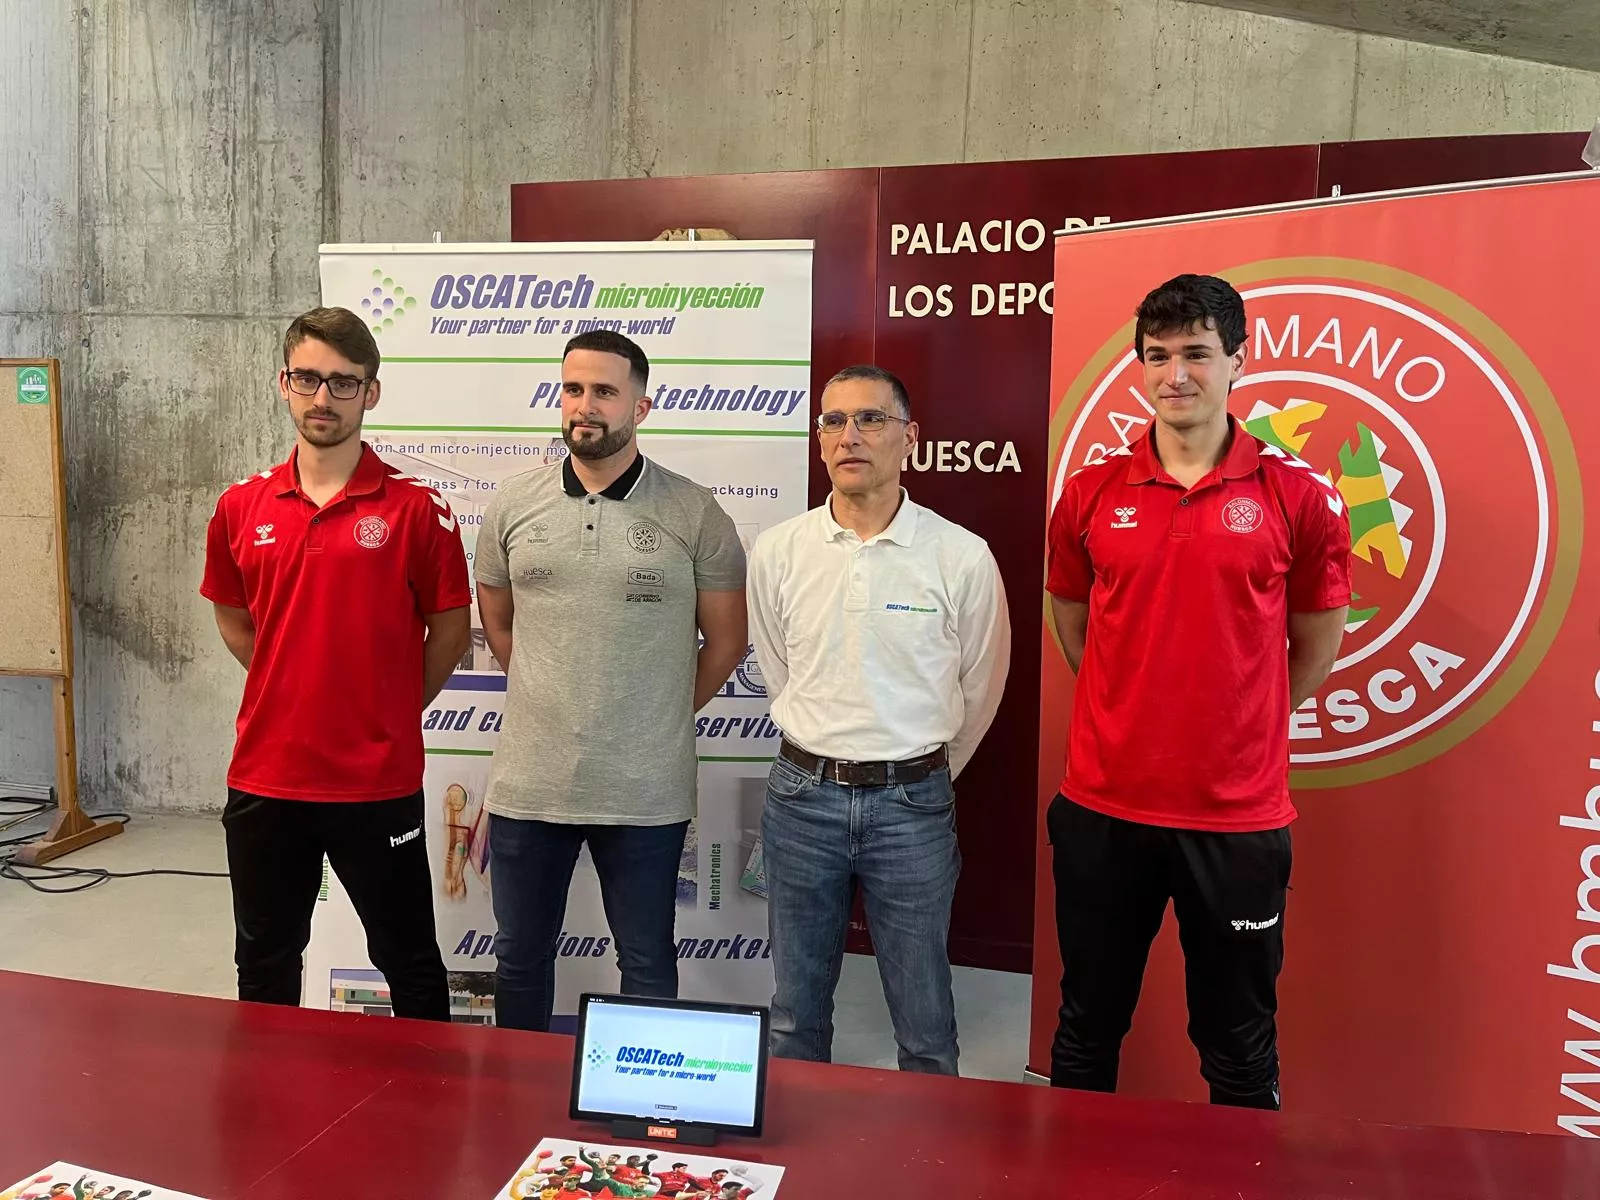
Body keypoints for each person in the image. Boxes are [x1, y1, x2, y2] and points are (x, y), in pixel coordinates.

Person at [1045, 274, 1352, 1109]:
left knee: (1240, 1047)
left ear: (1237, 362)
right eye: (1157, 356)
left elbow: (1316, 643)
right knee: (1086, 1027)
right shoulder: (1091, 494)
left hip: (1237, 820)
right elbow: (1073, 619)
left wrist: (1241, 716)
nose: (1174, 373)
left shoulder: (1301, 496)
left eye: (1196, 354)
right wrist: (1131, 700)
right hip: (1104, 810)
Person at [202, 306, 470, 1019]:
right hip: (266, 776)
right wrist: (285, 681)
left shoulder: (419, 509)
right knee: (263, 958)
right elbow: (231, 615)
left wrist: (391, 705)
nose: (323, 398)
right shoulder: (239, 504)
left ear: (371, 393)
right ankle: (268, 1112)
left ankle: (427, 1113)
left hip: (374, 781)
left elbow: (449, 630)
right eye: (308, 379)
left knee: (408, 959)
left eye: (343, 384)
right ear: (283, 384)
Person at [475, 330, 747, 1031]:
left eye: (604, 391)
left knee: (649, 959)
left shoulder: (695, 512)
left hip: (645, 788)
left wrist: (652, 711)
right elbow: (501, 628)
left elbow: (726, 642)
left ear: (641, 406)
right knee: (520, 958)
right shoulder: (511, 506)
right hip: (531, 782)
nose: (584, 406)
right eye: (572, 389)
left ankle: (640, 1108)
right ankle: (517, 1098)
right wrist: (551, 697)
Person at [746, 364, 1011, 1076]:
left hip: (912, 805)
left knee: (925, 1022)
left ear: (909, 438)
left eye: (870, 419)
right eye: (833, 421)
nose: (849, 436)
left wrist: (917, 772)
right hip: (801, 799)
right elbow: (780, 671)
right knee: (796, 1015)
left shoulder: (960, 557)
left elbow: (981, 687)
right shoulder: (778, 551)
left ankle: (928, 1173)